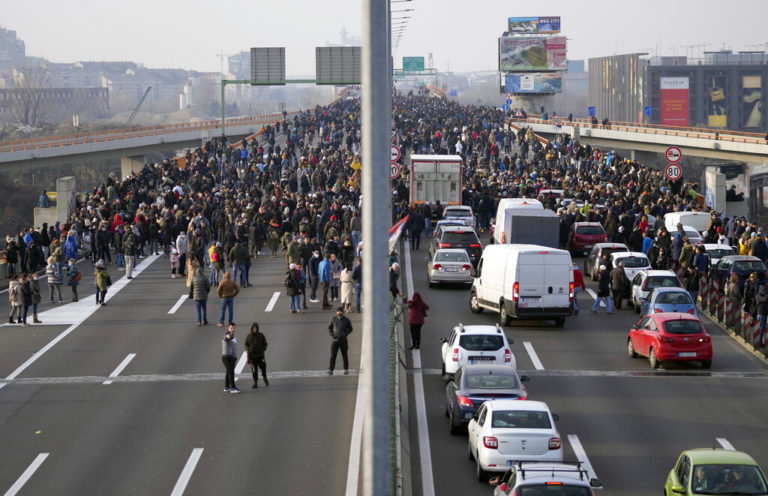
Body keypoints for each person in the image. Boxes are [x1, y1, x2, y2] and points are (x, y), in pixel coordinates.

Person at [328, 306, 353, 375]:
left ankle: (346, 369)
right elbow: (329, 328)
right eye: (338, 311)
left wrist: (345, 334)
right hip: (335, 341)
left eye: (340, 311)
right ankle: (331, 370)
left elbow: (350, 329)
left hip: (343, 341)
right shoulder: (334, 319)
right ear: (336, 312)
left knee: (344, 355)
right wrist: (332, 334)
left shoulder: (346, 320)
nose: (339, 312)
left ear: (343, 312)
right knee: (333, 356)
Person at [245, 322, 269, 388]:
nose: (254, 329)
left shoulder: (261, 335)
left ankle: (265, 378)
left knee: (263, 368)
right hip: (253, 357)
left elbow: (265, 343)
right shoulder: (249, 336)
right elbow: (246, 344)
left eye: (255, 328)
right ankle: (255, 382)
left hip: (261, 356)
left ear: (257, 329)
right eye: (253, 328)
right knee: (254, 370)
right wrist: (249, 350)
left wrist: (263, 349)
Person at [221, 323, 240, 394]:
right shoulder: (227, 334)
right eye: (231, 328)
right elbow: (226, 338)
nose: (233, 329)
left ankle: (226, 387)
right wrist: (229, 335)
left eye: (234, 328)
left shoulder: (233, 336)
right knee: (231, 372)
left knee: (228, 372)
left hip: (232, 357)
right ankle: (233, 388)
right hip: (227, 357)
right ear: (228, 328)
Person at [756, 282, 768, 348]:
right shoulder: (758, 296)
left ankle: (760, 341)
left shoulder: (760, 295)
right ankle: (759, 342)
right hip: (761, 314)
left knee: (762, 329)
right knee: (761, 329)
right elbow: (765, 299)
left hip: (763, 314)